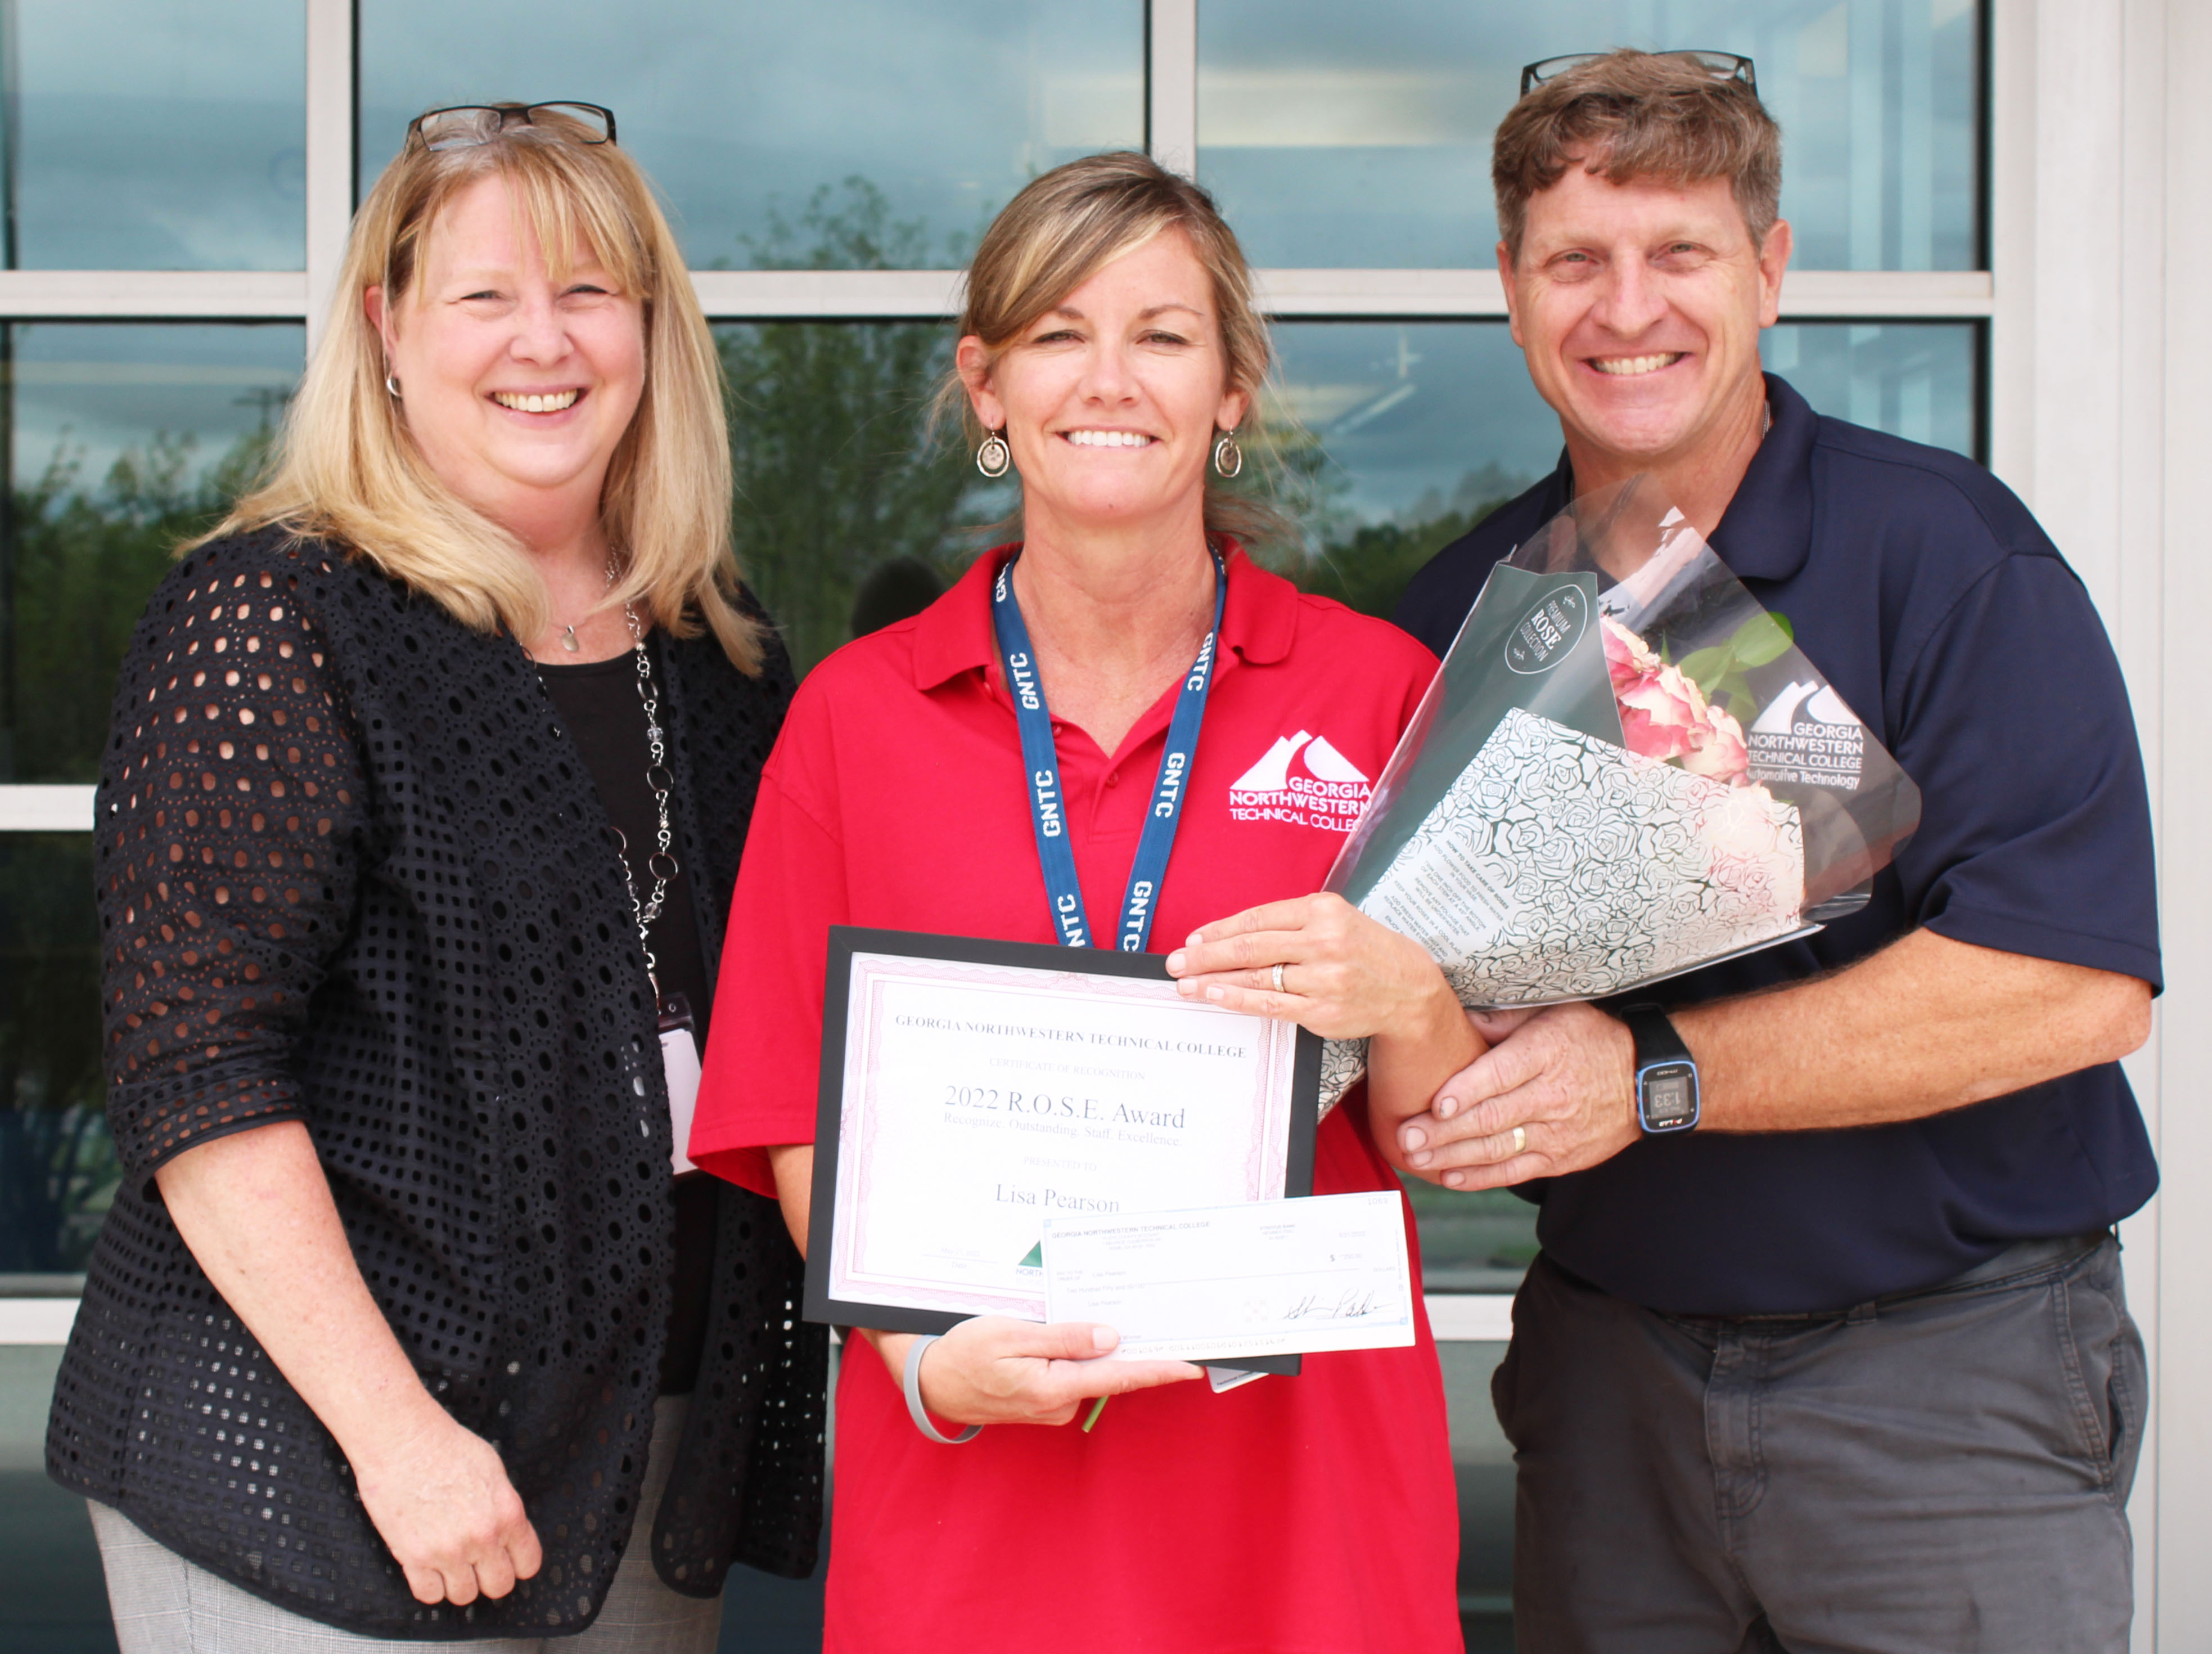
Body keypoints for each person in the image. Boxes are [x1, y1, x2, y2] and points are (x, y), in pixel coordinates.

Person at [1381, 49, 2158, 1652]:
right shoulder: (1460, 614)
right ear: (1511, 291)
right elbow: (1419, 1005)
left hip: (1945, 1391)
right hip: (1610, 1388)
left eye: (1680, 252)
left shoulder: (1951, 556)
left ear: (1772, 270)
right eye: (1575, 259)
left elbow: (2073, 990)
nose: (1627, 307)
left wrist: (1651, 1074)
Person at [46, 102, 825, 1650]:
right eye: (485, 296)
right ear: (388, 329)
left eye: (593, 290)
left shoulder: (716, 650)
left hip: (632, 1446)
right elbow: (202, 1085)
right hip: (325, 1452)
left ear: (652, 329)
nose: (545, 339)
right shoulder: (276, 619)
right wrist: (394, 1434)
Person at [687, 151, 1470, 1654]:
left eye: (1164, 335)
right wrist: (924, 1365)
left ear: (1233, 388)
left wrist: (1413, 999)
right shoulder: (859, 716)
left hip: (1301, 1516)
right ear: (985, 385)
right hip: (979, 1507)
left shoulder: (1375, 694)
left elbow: (1442, 1137)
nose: (1110, 378)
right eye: (1057, 332)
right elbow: (791, 1106)